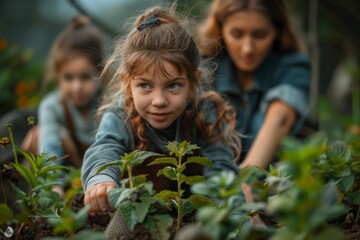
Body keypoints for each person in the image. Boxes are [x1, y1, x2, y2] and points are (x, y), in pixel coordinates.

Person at [81, 7, 241, 216]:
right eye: (145, 85)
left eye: (173, 85)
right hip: (138, 215)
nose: (159, 101)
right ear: (127, 84)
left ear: (193, 82)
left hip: (193, 214)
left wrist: (233, 220)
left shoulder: (204, 111)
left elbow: (222, 172)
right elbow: (104, 149)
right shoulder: (120, 115)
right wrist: (101, 181)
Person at [198, 0, 311, 169]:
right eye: (237, 34)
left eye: (260, 35)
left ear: (277, 31)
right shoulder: (204, 68)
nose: (247, 49)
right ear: (221, 29)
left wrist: (243, 181)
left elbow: (280, 118)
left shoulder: (293, 67)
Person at [38, 15, 103, 169]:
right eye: (68, 78)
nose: (77, 87)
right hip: (67, 181)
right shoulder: (52, 107)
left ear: (100, 72)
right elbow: (49, 147)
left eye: (85, 77)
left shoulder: (109, 103)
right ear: (58, 75)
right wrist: (52, 186)